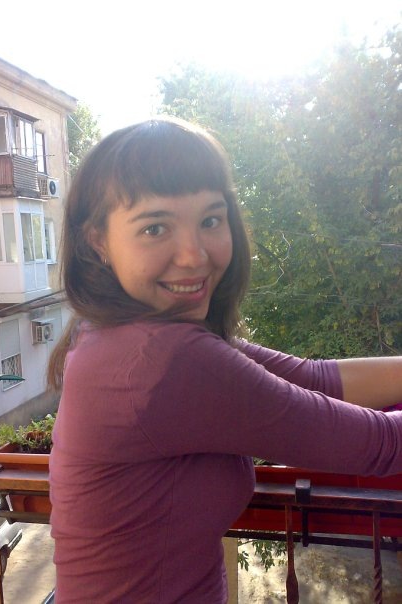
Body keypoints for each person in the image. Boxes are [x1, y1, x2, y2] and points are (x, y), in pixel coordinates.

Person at [48, 117, 402, 604]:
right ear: (98, 242)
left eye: (211, 220)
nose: (194, 256)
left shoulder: (117, 333)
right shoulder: (162, 361)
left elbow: (312, 378)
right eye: (155, 228)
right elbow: (378, 445)